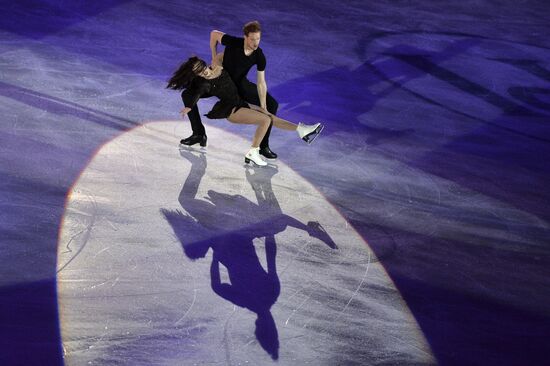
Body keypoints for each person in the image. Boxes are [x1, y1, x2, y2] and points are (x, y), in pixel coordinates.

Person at [167, 56, 323, 166]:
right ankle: (253, 152)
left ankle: (302, 130)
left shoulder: (218, 65)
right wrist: (189, 106)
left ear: (206, 65)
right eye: (200, 73)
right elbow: (197, 93)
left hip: (241, 103)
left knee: (270, 117)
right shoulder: (205, 84)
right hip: (231, 110)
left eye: (203, 69)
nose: (204, 73)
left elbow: (221, 49)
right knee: (265, 120)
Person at [180, 21, 279, 159]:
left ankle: (263, 146)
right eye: (252, 39)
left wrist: (263, 106)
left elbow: (261, 82)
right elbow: (214, 34)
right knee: (187, 94)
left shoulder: (259, 55)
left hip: (239, 86)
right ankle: (198, 134)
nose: (256, 43)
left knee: (272, 104)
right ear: (245, 37)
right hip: (218, 81)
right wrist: (214, 56)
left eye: (258, 39)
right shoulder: (233, 42)